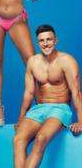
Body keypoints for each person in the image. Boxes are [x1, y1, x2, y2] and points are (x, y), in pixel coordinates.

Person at [12, 25, 82, 168]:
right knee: (18, 140)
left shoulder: (67, 61)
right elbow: (28, 93)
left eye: (49, 39)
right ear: (37, 43)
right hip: (38, 109)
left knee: (41, 138)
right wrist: (21, 118)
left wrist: (81, 121)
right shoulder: (33, 62)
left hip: (60, 109)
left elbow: (76, 92)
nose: (45, 43)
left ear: (55, 41)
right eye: (42, 40)